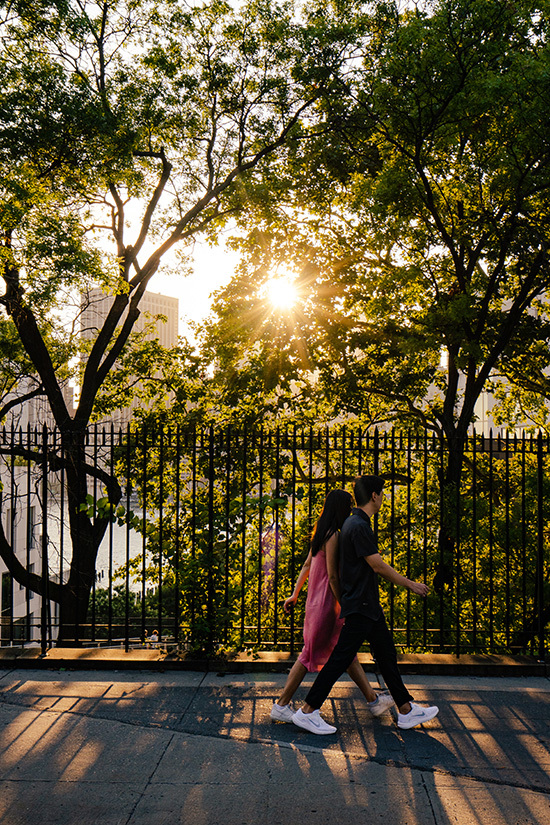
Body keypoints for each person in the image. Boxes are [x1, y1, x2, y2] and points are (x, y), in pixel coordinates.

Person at [292, 474, 439, 735]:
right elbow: (376, 564)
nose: (383, 498)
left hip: (365, 604)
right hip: (361, 604)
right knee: (340, 659)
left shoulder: (353, 523)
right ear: (374, 495)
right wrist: (411, 584)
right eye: (382, 493)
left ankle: (405, 710)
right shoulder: (358, 525)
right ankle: (308, 710)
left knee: (386, 656)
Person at [271, 489, 394, 723]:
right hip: (328, 605)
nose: (351, 510)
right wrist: (344, 603)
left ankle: (373, 700)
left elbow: (307, 565)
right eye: (348, 505)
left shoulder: (320, 533)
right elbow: (333, 576)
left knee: (346, 653)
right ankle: (282, 704)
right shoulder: (333, 536)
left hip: (315, 603)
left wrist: (295, 594)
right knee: (309, 655)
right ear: (340, 508)